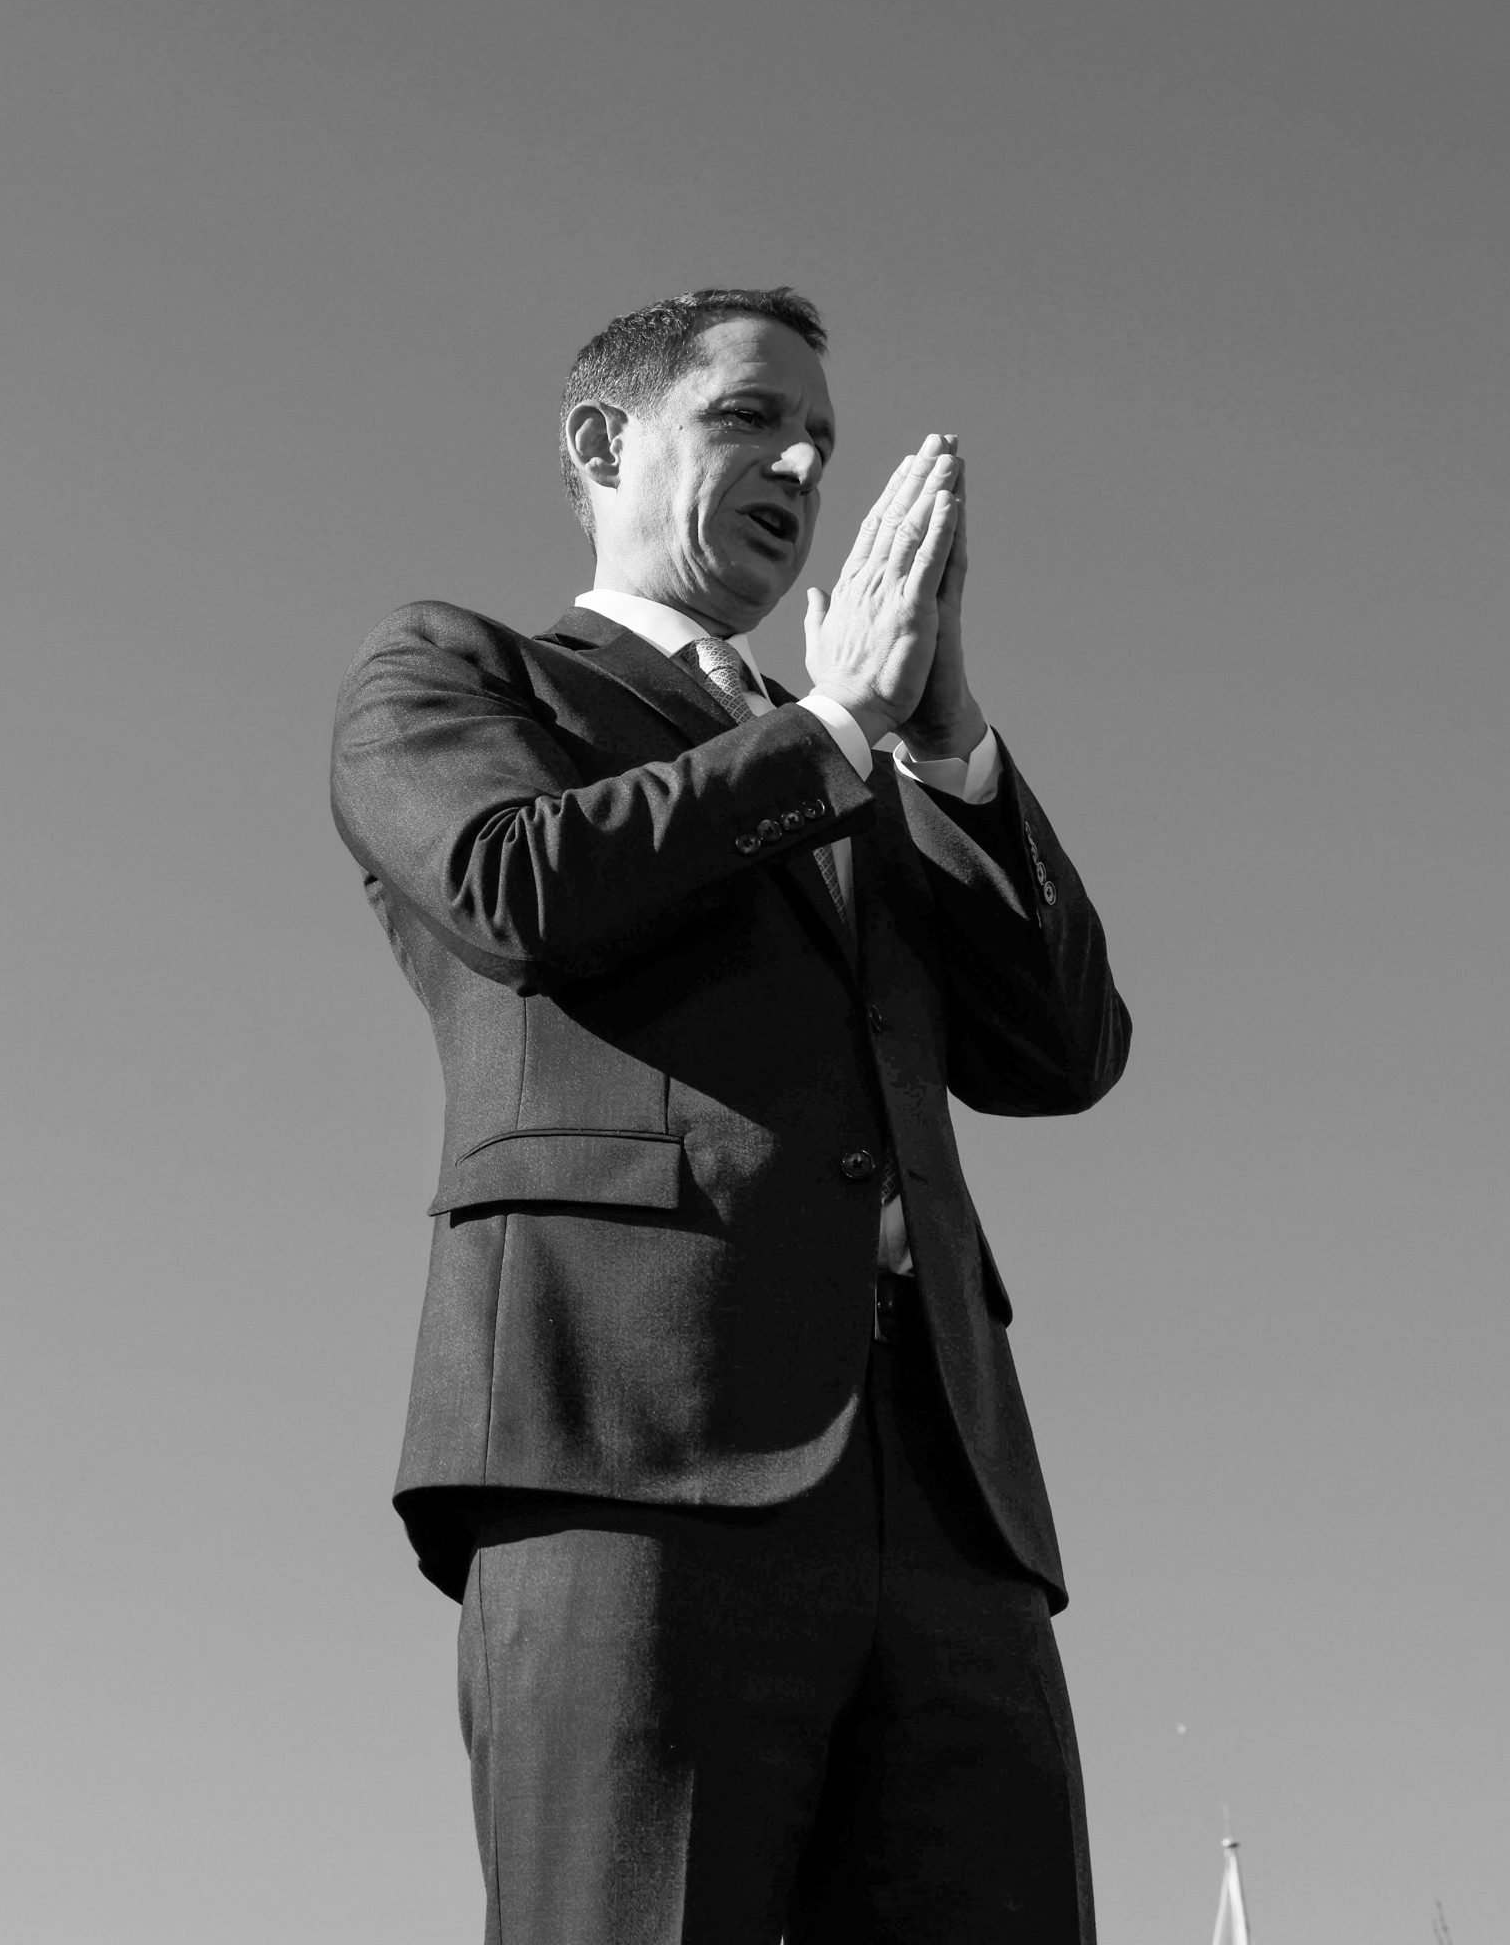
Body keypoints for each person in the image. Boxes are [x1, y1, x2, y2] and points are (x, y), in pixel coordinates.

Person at [328, 287, 1131, 1942]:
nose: (798, 463)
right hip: (634, 1445)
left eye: (821, 442)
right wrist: (831, 725)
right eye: (750, 419)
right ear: (603, 443)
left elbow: (1063, 1049)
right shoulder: (456, 672)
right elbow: (516, 887)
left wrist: (948, 738)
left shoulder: (863, 763)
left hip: (946, 1487)